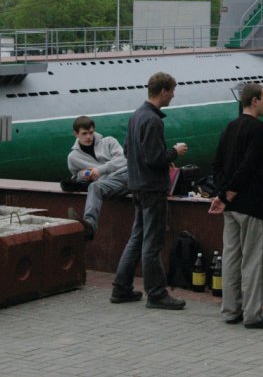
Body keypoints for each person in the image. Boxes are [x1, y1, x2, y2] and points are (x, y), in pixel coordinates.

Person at [209, 83, 263, 329]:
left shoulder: (230, 126)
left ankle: (231, 309)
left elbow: (218, 163)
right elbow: (250, 165)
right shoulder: (258, 128)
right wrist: (230, 192)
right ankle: (254, 313)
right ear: (254, 101)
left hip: (231, 207)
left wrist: (223, 194)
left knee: (231, 256)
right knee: (253, 260)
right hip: (251, 203)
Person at [111, 72, 188, 309]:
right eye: (172, 91)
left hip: (136, 185)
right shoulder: (154, 120)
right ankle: (156, 294)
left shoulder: (137, 116)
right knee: (152, 243)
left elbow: (127, 151)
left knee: (137, 237)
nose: (173, 96)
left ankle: (121, 288)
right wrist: (174, 152)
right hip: (152, 188)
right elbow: (155, 158)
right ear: (163, 91)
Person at [65, 116, 128, 241]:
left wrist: (100, 170)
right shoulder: (73, 157)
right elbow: (76, 177)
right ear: (76, 134)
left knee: (98, 184)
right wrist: (83, 175)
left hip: (127, 175)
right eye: (84, 133)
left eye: (91, 132)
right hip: (108, 184)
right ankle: (89, 227)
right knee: (93, 187)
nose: (88, 137)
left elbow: (123, 160)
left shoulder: (109, 141)